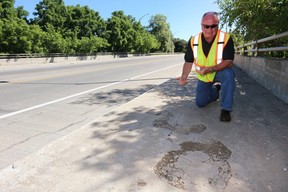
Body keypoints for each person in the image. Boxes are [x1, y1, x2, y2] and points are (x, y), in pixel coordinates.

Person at [177, 12, 235, 122]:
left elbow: (228, 61)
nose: (209, 29)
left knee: (229, 74)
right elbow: (189, 61)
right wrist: (184, 76)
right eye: (206, 26)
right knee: (200, 103)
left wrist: (211, 69)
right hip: (203, 75)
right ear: (201, 25)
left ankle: (226, 109)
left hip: (219, 71)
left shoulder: (225, 38)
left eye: (213, 26)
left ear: (218, 25)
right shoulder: (194, 41)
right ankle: (216, 90)